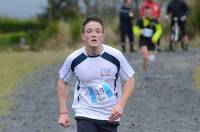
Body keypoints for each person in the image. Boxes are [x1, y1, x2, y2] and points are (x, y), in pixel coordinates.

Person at [57, 15, 135, 132]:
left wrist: (121, 105)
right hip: (85, 112)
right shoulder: (74, 58)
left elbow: (129, 80)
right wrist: (63, 112)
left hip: (110, 115)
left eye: (98, 31)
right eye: (89, 31)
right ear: (83, 36)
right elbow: (63, 81)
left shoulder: (115, 56)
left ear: (102, 36)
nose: (94, 34)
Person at [134, 6, 162, 79]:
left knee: (151, 58)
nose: (147, 13)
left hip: (151, 41)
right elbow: (135, 29)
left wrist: (155, 37)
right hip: (143, 41)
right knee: (145, 56)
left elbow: (159, 30)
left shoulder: (155, 21)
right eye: (146, 12)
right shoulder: (140, 20)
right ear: (144, 12)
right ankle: (146, 73)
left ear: (151, 12)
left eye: (149, 12)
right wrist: (140, 31)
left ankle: (149, 70)